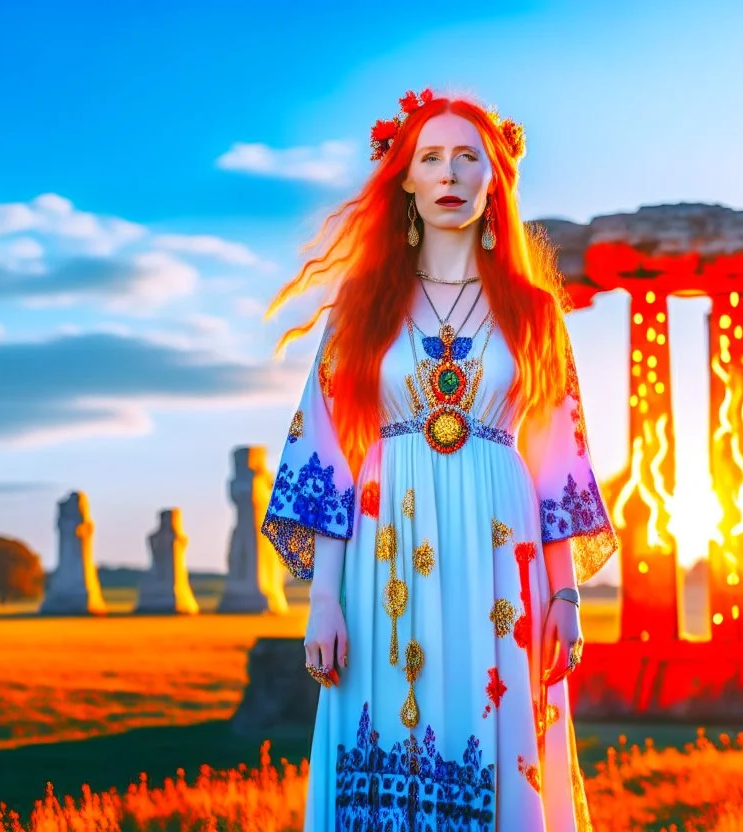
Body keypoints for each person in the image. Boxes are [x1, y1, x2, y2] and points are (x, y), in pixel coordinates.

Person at [260, 87, 618, 831]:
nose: (450, 172)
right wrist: (323, 599)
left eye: (468, 157)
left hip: (501, 549)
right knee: (385, 727)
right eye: (431, 157)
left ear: (495, 180)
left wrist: (565, 595)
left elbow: (559, 459)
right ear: (406, 180)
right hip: (380, 546)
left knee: (496, 733)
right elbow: (327, 453)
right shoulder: (361, 304)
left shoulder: (534, 310)